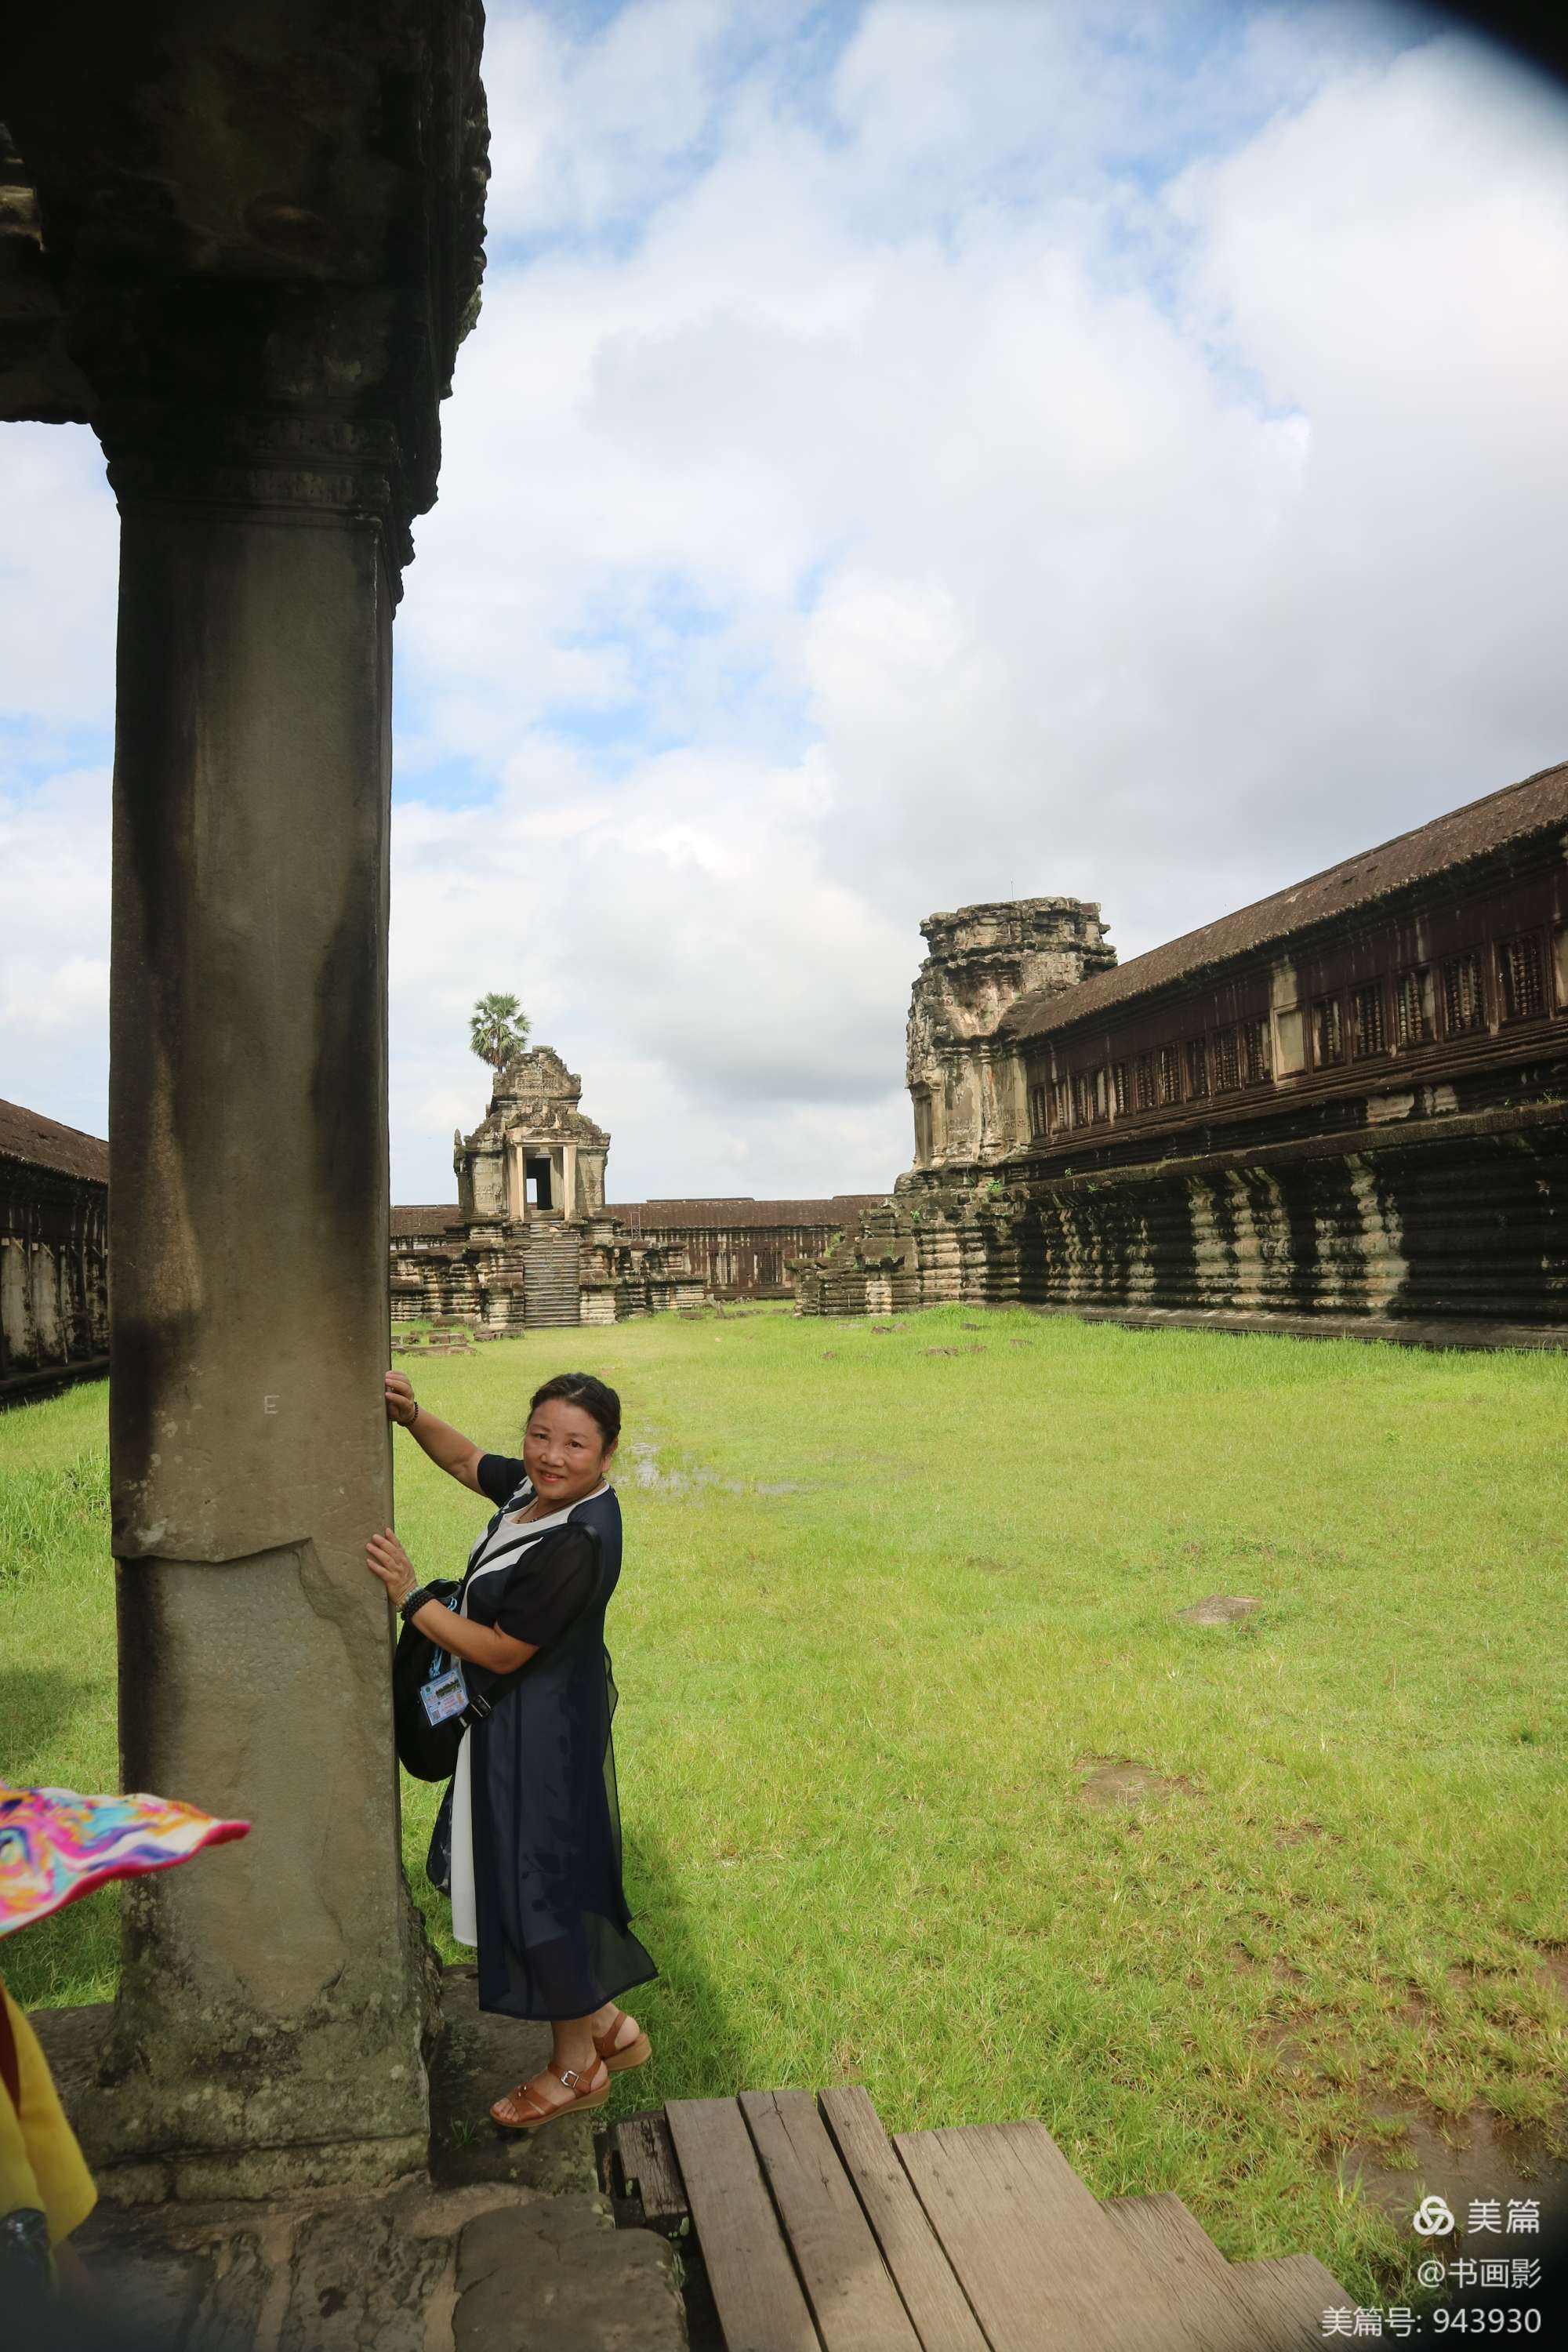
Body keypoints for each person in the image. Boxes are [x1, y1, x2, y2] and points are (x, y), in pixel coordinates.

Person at [367, 1367, 659, 2132]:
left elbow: (499, 1651)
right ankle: (606, 2025)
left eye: (574, 1444)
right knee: (521, 1875)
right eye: (539, 1436)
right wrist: (412, 1414)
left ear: (608, 1453)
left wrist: (410, 1597)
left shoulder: (581, 1540)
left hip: (541, 1730)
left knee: (536, 1891)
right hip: (513, 1718)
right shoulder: (531, 1497)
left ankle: (577, 2068)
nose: (550, 1456)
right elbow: (467, 1461)